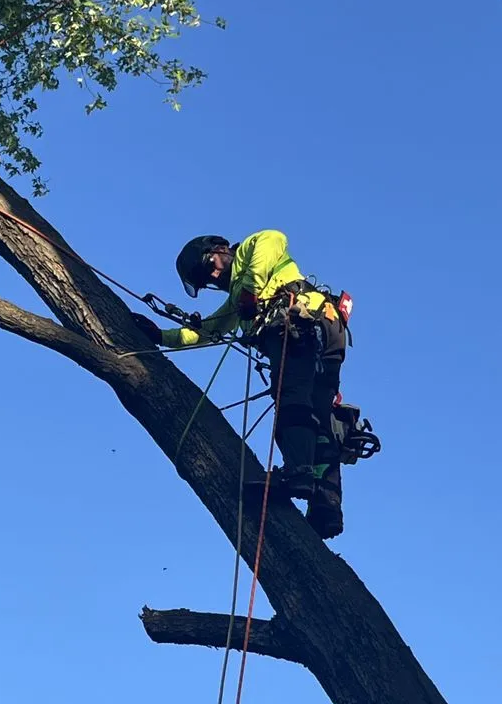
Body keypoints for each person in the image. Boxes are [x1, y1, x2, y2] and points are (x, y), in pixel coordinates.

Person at [132, 230, 348, 539]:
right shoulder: (237, 299)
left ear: (221, 249)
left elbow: (274, 239)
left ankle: (298, 474)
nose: (215, 275)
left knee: (291, 401)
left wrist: (249, 290)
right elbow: (207, 331)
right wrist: (161, 337)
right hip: (327, 330)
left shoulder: (250, 251)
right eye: (207, 278)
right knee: (319, 418)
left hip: (301, 324)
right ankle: (325, 506)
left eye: (210, 266)